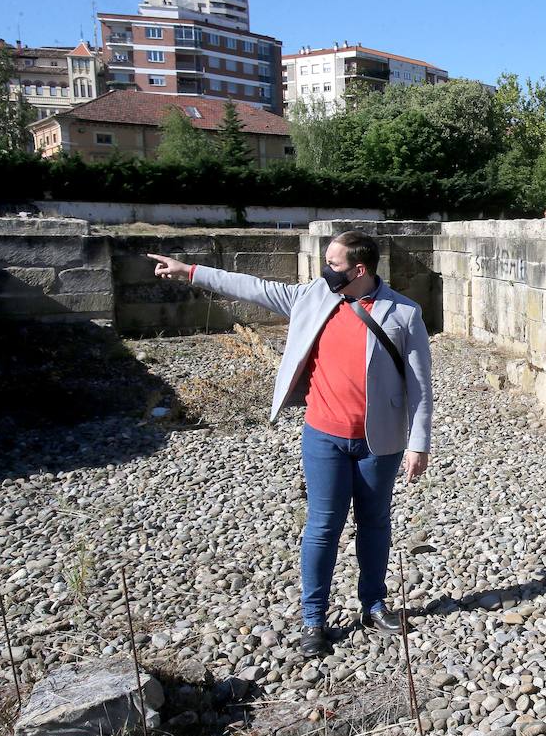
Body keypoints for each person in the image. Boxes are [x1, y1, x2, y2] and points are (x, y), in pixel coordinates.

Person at [147, 231, 433, 658]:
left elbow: (421, 386)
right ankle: (313, 619)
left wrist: (419, 443)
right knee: (323, 526)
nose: (324, 269)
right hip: (324, 435)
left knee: (375, 524)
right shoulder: (314, 297)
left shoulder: (404, 313)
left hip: (381, 441)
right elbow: (252, 287)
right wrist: (191, 271)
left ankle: (373, 605)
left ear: (359, 269)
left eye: (332, 263)